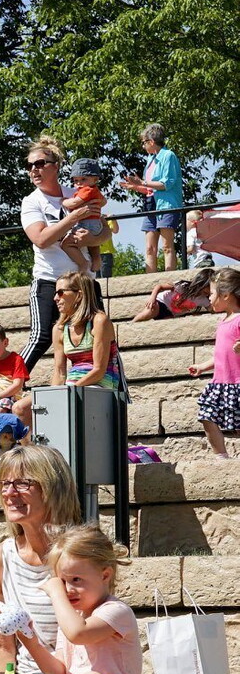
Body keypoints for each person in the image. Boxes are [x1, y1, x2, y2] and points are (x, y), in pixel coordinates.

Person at [9, 524, 146, 674]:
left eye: (76, 580)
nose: (67, 589)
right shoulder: (74, 618)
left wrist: (56, 594)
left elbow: (78, 634)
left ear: (105, 575)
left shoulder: (117, 611)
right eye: (62, 581)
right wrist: (29, 639)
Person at [0, 444, 82, 674]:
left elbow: (91, 640)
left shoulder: (81, 556)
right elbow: (0, 646)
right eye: (4, 484)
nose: (9, 493)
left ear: (53, 488)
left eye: (22, 484)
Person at [20, 135, 105, 372]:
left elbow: (104, 230)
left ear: (56, 166)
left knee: (100, 336)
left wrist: (92, 241)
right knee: (42, 337)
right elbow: (41, 239)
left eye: (40, 163)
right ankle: (7, 384)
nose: (34, 170)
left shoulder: (78, 191)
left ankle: (112, 388)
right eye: (29, 165)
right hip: (49, 279)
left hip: (83, 281)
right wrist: (73, 218)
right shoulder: (31, 202)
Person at [191, 267, 240, 459]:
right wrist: (202, 366)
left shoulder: (239, 320)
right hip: (219, 383)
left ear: (226, 295)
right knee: (206, 416)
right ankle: (221, 456)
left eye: (211, 294)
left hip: (237, 383)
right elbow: (221, 354)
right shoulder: (222, 321)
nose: (209, 298)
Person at [123, 124, 185, 274]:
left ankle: (169, 279)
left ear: (151, 141)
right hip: (150, 204)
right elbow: (150, 189)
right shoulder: (150, 159)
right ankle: (150, 280)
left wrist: (142, 182)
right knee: (150, 248)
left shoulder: (168, 155)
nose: (142, 146)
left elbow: (166, 184)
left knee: (167, 246)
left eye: (143, 142)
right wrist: (135, 187)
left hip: (167, 205)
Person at [53, 272, 126, 396]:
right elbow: (59, 373)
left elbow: (99, 370)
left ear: (79, 295)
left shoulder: (99, 321)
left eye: (60, 292)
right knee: (22, 405)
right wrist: (54, 395)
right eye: (55, 293)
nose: (55, 298)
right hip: (72, 389)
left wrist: (69, 392)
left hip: (100, 386)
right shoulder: (58, 329)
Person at [61, 159, 108, 274]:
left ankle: (83, 263)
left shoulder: (86, 190)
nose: (79, 183)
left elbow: (73, 203)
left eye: (83, 179)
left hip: (86, 224)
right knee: (92, 243)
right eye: (76, 180)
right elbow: (104, 201)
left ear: (95, 179)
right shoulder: (95, 190)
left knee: (66, 244)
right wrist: (96, 205)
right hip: (96, 223)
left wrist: (64, 201)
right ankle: (96, 260)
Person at [133, 269, 214, 322]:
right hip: (161, 302)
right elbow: (160, 286)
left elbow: (212, 309)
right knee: (150, 312)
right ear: (200, 284)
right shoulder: (183, 286)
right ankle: (132, 323)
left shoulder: (203, 300)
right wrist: (152, 298)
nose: (208, 293)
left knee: (169, 323)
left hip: (170, 313)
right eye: (207, 289)